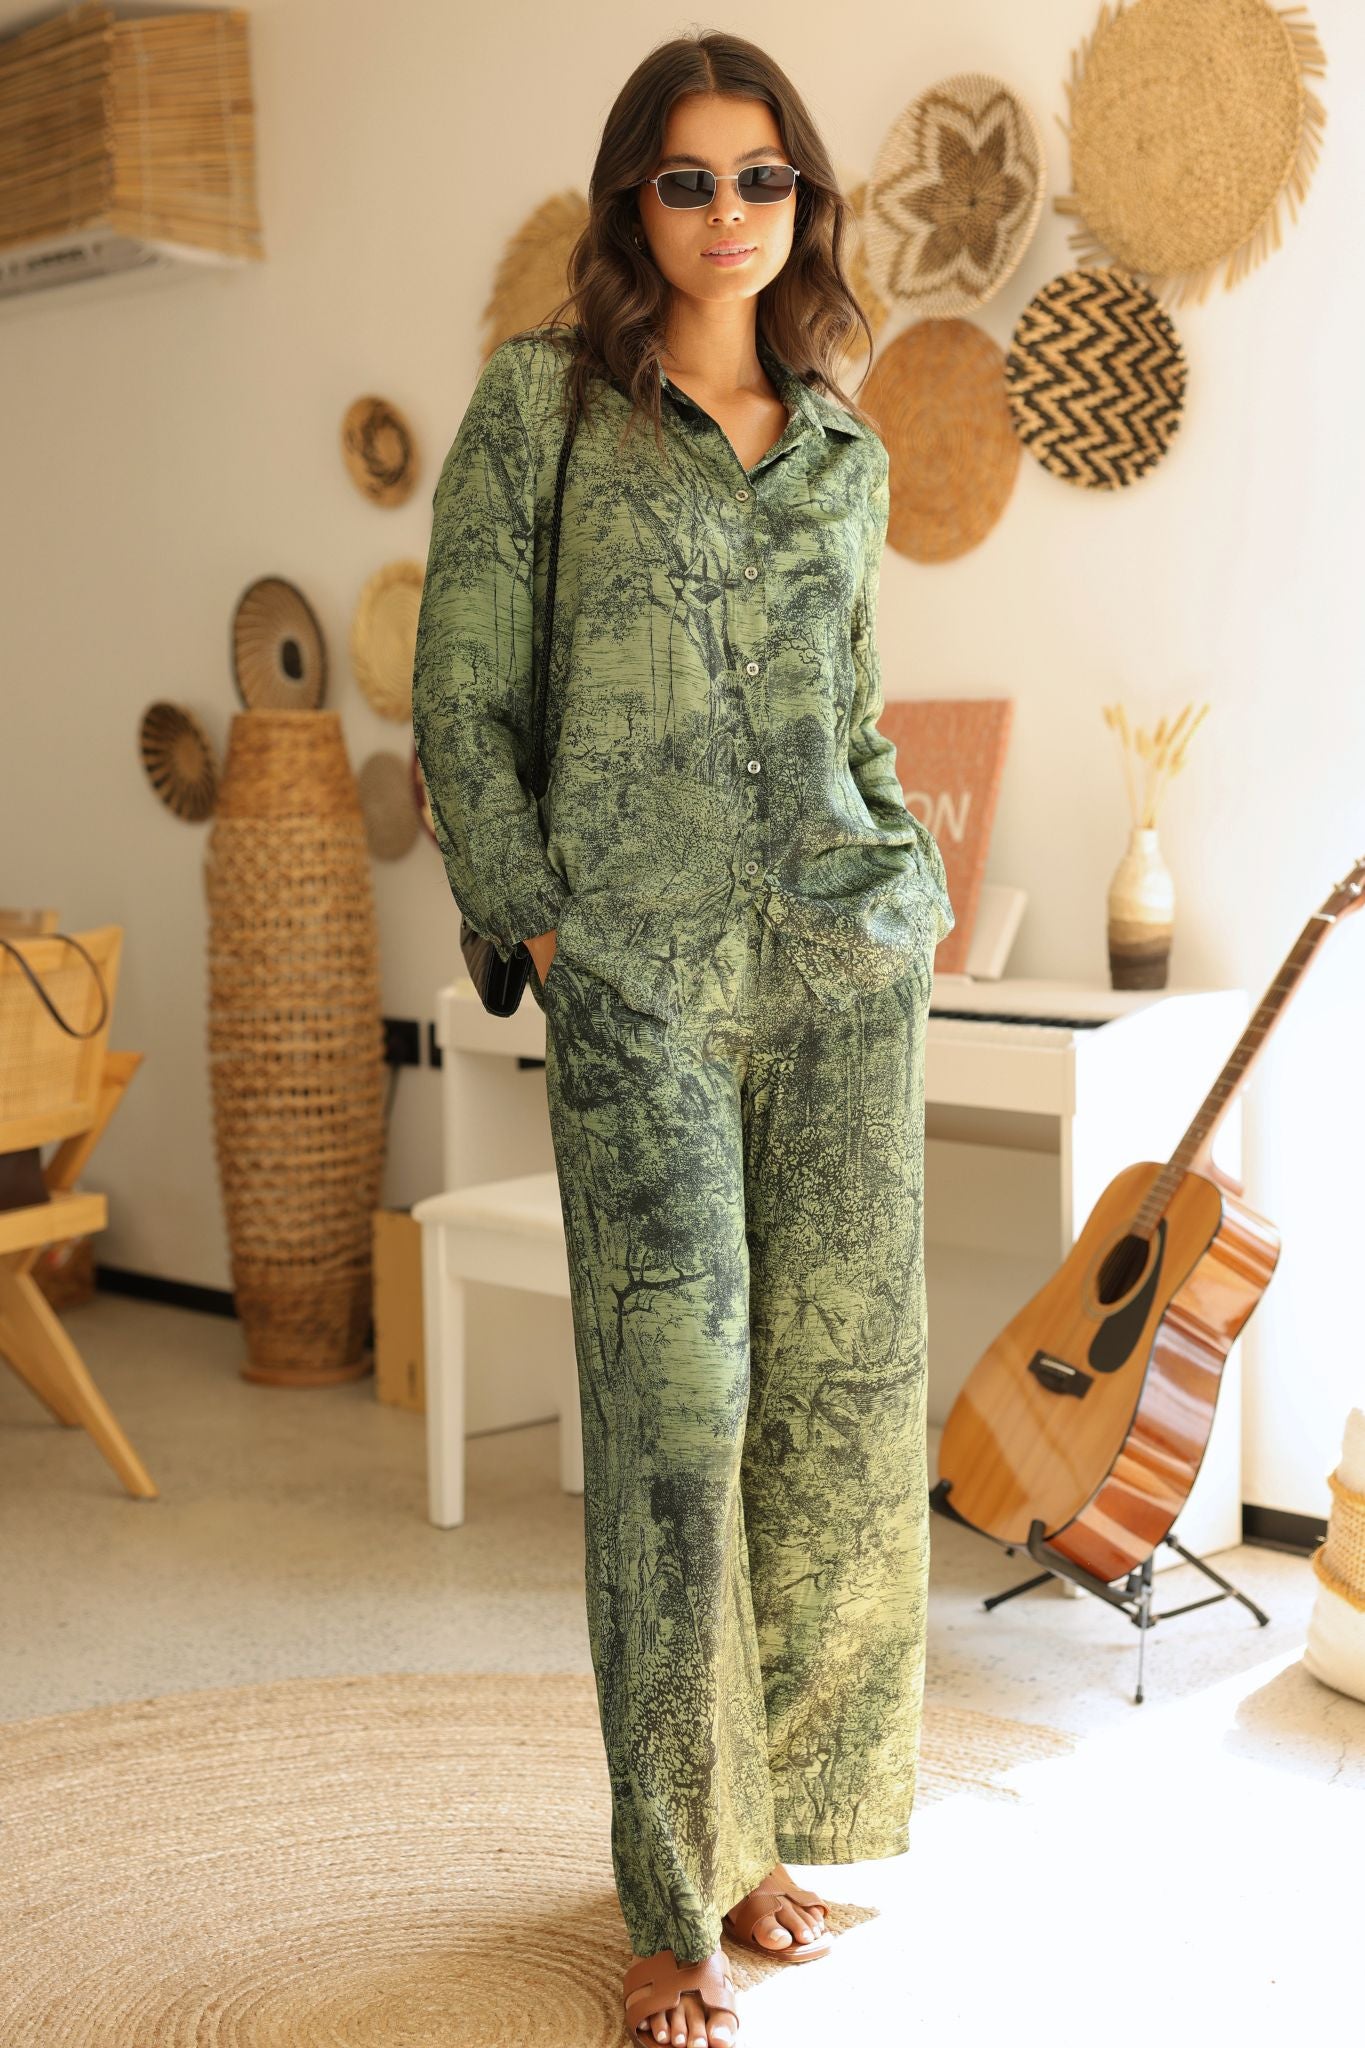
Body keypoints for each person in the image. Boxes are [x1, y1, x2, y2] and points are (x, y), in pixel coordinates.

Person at [412, 30, 955, 2046]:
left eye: (762, 178)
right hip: (636, 986)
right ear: (628, 201)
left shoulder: (842, 450)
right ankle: (666, 1902)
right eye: (687, 178)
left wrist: (902, 894)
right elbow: (461, 697)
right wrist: (540, 925)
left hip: (835, 980)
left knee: (828, 1415)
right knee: (673, 1420)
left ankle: (754, 1848)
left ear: (804, 201)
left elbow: (853, 717)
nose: (729, 214)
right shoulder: (541, 406)